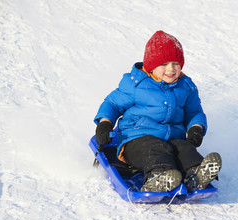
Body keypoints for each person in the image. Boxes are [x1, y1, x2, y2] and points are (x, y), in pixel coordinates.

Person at [94, 30, 221, 192]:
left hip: (172, 137)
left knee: (184, 148)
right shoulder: (136, 84)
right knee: (154, 149)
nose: (171, 69)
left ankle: (196, 173)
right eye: (164, 64)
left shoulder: (186, 86)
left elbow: (194, 111)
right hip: (137, 139)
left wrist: (196, 127)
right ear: (151, 66)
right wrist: (105, 123)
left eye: (176, 63)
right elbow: (113, 103)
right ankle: (158, 176)